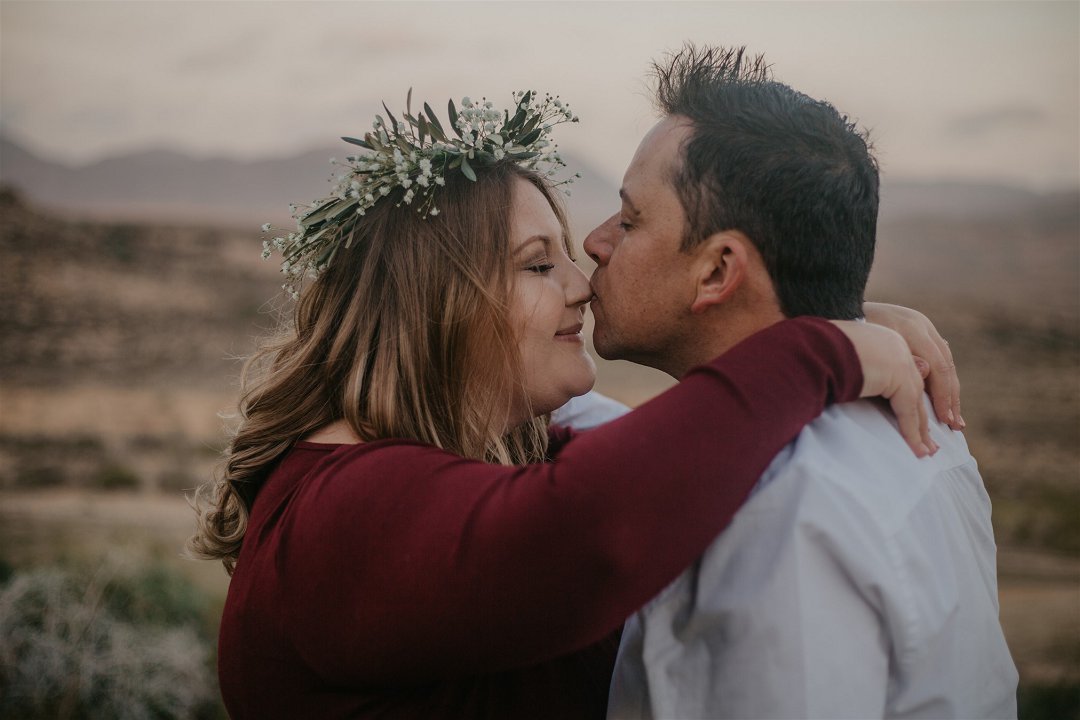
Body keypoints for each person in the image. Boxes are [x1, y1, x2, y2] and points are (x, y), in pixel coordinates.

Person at [187, 89, 942, 720]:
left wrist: (839, 312)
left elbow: (654, 455)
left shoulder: (501, 449)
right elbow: (592, 526)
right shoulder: (334, 516)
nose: (580, 285)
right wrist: (819, 351)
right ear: (436, 303)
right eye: (539, 264)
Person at [591, 45, 1018, 719]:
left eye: (631, 218)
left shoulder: (776, 510)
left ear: (716, 272)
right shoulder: (921, 427)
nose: (595, 241)